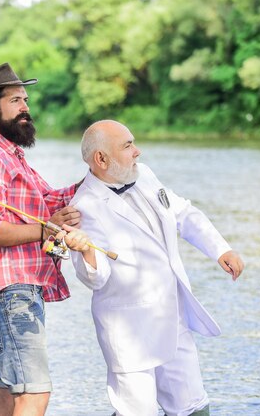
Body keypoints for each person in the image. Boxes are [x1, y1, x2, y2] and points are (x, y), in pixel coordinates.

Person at [70, 120, 245, 416]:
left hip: (172, 316)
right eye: (127, 146)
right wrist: (86, 248)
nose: (137, 151)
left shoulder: (145, 174)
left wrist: (220, 248)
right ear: (101, 159)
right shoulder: (84, 206)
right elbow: (96, 278)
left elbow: (183, 213)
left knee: (194, 407)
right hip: (129, 331)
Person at [0, 63, 91, 416]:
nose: (25, 107)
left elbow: (52, 202)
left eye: (25, 99)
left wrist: (99, 180)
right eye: (15, 101)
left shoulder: (12, 157)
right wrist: (48, 229)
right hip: (9, 292)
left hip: (12, 292)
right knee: (34, 393)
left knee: (8, 393)